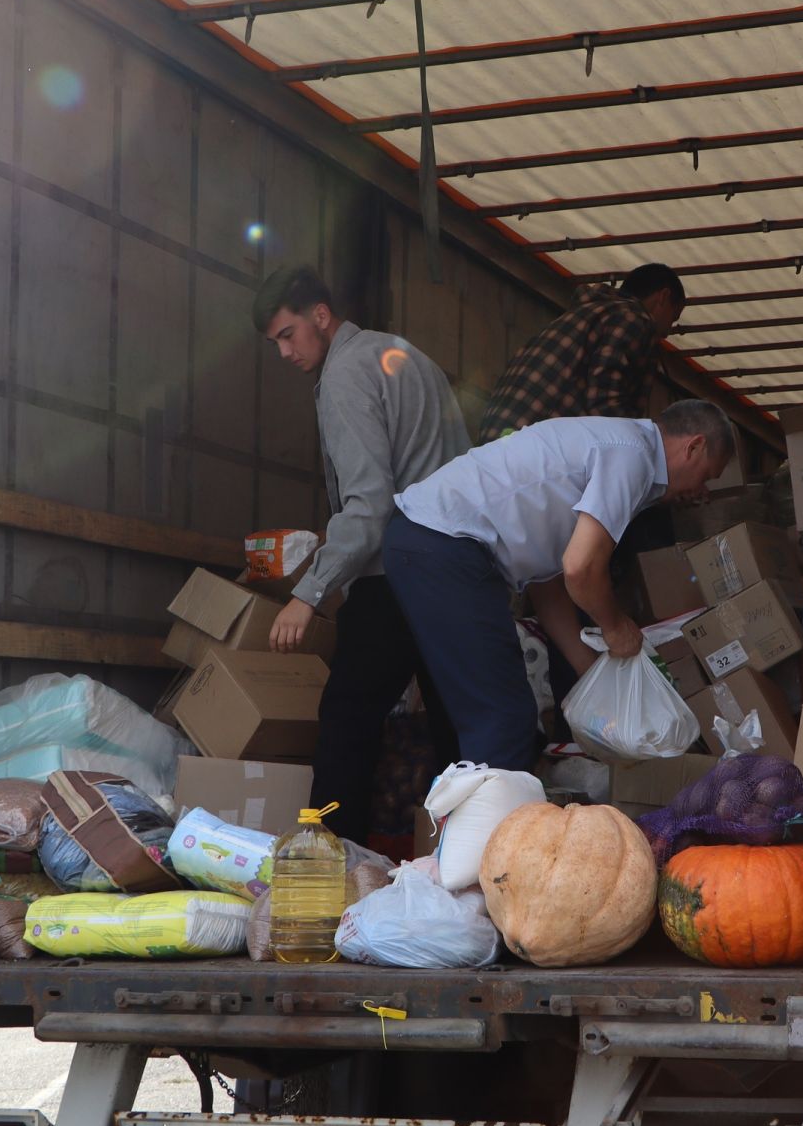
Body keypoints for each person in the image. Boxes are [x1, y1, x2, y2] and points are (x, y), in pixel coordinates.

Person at [381, 400, 736, 773]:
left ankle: (466, 823)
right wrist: (617, 628)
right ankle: (498, 830)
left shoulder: (619, 447)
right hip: (444, 544)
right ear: (693, 446)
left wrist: (589, 669)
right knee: (505, 718)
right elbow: (580, 568)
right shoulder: (632, 456)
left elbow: (548, 578)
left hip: (426, 542)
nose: (700, 492)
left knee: (482, 715)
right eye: (706, 476)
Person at [252, 265, 470, 845]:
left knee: (348, 717)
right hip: (456, 566)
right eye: (275, 341)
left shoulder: (346, 373)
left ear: (320, 317)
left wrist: (308, 593)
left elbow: (370, 503)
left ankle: (328, 853)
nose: (283, 352)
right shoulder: (405, 356)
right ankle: (475, 865)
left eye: (288, 334)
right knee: (459, 729)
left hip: (398, 569)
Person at [477, 263, 686, 442]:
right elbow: (605, 400)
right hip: (533, 447)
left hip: (499, 438)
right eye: (673, 317)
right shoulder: (632, 319)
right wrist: (641, 452)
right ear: (663, 297)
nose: (667, 332)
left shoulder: (587, 312)